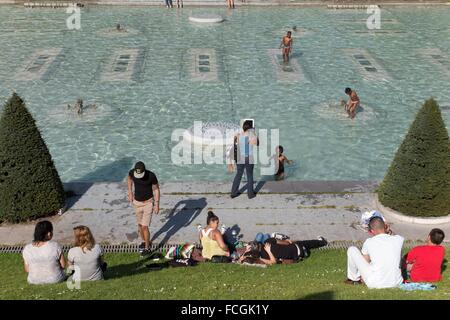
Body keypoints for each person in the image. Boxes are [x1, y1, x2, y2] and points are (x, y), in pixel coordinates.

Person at [345, 216, 404, 289]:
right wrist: (388, 230)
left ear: (372, 231)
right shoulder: (399, 239)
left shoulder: (369, 242)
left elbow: (365, 261)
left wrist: (363, 276)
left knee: (352, 249)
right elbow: (396, 236)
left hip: (375, 283)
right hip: (397, 282)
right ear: (385, 226)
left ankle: (353, 279)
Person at [127, 161, 160, 256]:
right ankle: (144, 241)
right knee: (140, 226)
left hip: (148, 203)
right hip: (137, 203)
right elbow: (129, 179)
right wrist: (130, 192)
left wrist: (156, 204)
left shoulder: (151, 176)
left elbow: (156, 189)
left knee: (145, 226)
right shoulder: (132, 173)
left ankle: (147, 247)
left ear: (144, 171)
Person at [22, 221, 66, 285]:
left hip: (33, 280)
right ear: (48, 233)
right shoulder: (55, 245)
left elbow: (27, 270)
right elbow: (63, 265)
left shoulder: (27, 248)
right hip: (55, 279)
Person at [239, 236, 327, 265]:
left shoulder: (262, 257)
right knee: (301, 243)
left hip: (298, 257)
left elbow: (273, 262)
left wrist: (269, 252)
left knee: (298, 245)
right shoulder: (268, 241)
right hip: (298, 247)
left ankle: (306, 249)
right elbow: (286, 243)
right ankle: (322, 242)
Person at [231, 120, 258, 199]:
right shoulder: (252, 136)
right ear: (251, 128)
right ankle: (250, 194)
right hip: (249, 157)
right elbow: (257, 144)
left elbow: (236, 145)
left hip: (240, 157)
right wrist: (254, 133)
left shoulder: (238, 135)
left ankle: (233, 193)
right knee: (249, 176)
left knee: (238, 174)